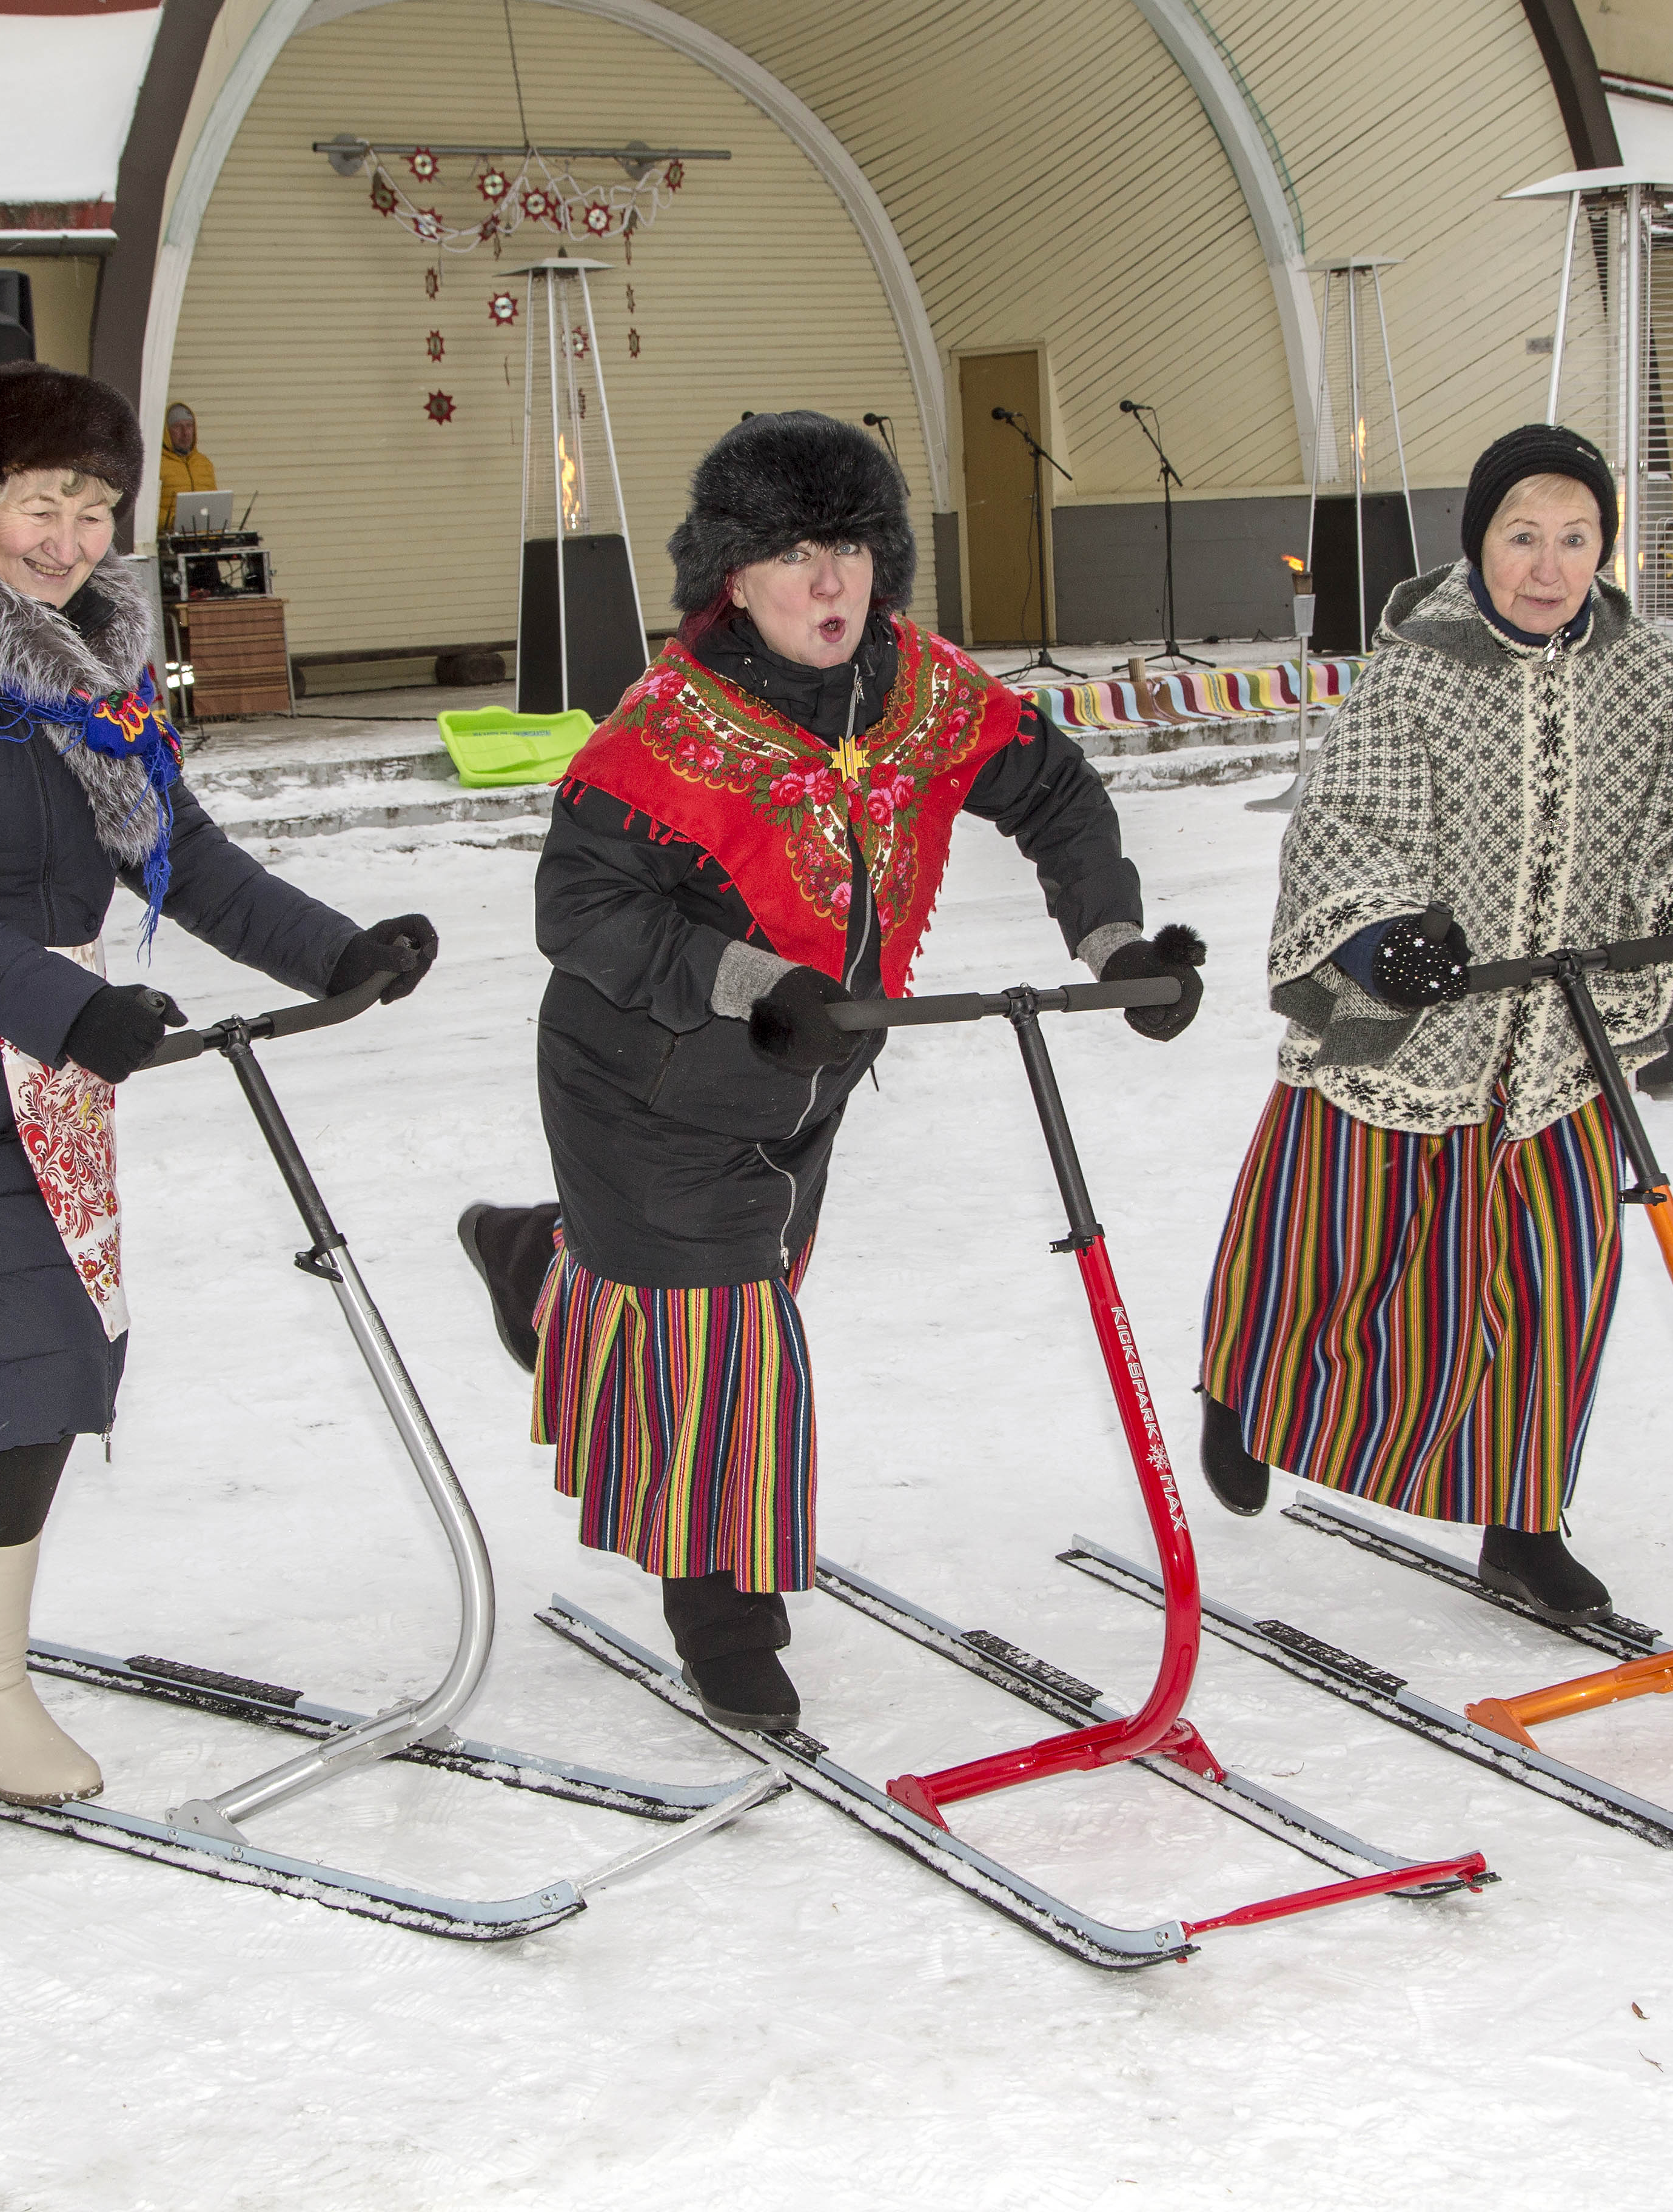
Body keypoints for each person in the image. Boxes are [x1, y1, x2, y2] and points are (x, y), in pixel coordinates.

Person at [455, 412, 1207, 1733]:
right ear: (733, 576)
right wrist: (759, 981)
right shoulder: (667, 730)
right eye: (795, 554)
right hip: (642, 1083)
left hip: (805, 1081)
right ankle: (726, 1618)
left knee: (728, 1312)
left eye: (852, 549)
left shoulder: (919, 691)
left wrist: (1114, 940)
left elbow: (1054, 790)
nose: (831, 582)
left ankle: (541, 1263)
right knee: (727, 1352)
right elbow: (580, 912)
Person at [0, 361, 437, 1807]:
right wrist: (70, 1006)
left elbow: (172, 851)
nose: (71, 539)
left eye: (95, 510)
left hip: (36, 1044)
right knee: (25, 1361)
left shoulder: (81, 664)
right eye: (42, 504)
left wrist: (336, 951)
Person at [1192, 423, 1673, 1623]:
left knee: (1558, 1283)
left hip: (1562, 1045)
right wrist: (1380, 937)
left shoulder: (1642, 672)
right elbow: (1343, 830)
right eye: (1523, 537)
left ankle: (1525, 1523)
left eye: (1576, 539)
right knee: (1338, 1260)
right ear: (1479, 543)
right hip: (1416, 1030)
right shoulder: (1415, 670)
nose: (1549, 567)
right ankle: (1245, 1396)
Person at [154, 401, 216, 540]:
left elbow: (215, 505)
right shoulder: (157, 465)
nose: (185, 433)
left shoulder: (204, 464)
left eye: (189, 426)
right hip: (174, 544)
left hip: (207, 544)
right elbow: (147, 510)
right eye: (178, 426)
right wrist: (173, 522)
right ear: (167, 431)